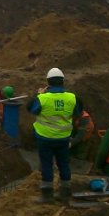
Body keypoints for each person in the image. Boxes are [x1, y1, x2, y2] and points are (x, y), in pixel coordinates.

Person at [28, 68, 81, 203]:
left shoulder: (42, 99)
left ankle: (47, 195)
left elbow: (31, 108)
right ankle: (65, 193)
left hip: (45, 138)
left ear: (48, 82)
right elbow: (78, 111)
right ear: (62, 82)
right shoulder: (72, 98)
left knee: (46, 164)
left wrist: (39, 94)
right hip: (63, 138)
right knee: (64, 163)